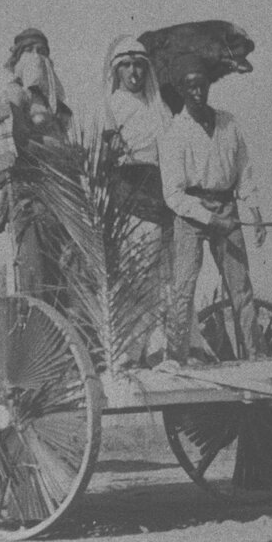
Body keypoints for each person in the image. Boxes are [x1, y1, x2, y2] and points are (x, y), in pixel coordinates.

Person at [159, 53, 266, 364]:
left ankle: (256, 355)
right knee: (184, 288)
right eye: (190, 87)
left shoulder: (228, 122)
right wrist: (208, 217)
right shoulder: (174, 132)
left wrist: (255, 211)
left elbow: (243, 170)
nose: (197, 92)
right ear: (181, 90)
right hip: (191, 213)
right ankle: (176, 359)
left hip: (227, 206)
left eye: (202, 85)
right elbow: (173, 195)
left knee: (241, 288)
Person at [102, 35, 174, 365]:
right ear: (117, 71)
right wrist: (114, 152)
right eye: (127, 66)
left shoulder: (159, 109)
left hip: (162, 193)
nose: (134, 72)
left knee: (162, 276)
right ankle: (130, 351)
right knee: (136, 275)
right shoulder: (111, 106)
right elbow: (103, 155)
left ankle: (159, 345)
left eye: (139, 66)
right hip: (129, 196)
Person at [0, 27, 73, 303]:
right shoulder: (14, 94)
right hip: (31, 193)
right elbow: (6, 138)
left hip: (63, 194)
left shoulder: (58, 108)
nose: (37, 57)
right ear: (18, 58)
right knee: (34, 271)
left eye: (42, 51)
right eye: (30, 51)